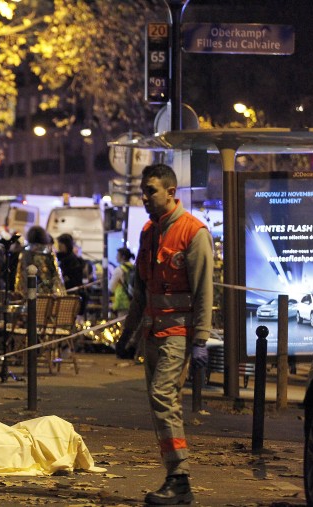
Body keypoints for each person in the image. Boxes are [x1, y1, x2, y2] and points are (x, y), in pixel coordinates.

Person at [119, 163, 214, 505]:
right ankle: (175, 479)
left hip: (178, 332)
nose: (144, 197)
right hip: (152, 331)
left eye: (151, 191)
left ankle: (179, 478)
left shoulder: (193, 232)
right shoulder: (149, 232)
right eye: (143, 191)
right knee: (161, 402)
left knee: (163, 397)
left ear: (171, 192)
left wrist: (200, 340)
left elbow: (204, 292)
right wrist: (127, 334)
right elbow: (141, 290)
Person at [15, 225, 65, 296]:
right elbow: (56, 276)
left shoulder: (25, 253)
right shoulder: (49, 253)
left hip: (29, 293)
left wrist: (20, 293)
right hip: (47, 295)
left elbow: (21, 275)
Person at [109, 247, 135, 318]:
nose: (116, 257)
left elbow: (111, 287)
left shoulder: (119, 269)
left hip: (122, 302)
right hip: (134, 301)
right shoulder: (134, 267)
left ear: (123, 257)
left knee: (123, 326)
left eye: (117, 255)